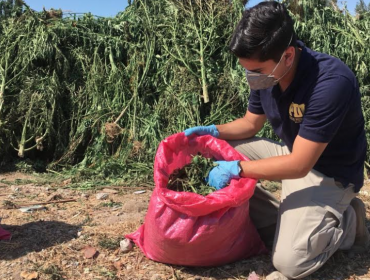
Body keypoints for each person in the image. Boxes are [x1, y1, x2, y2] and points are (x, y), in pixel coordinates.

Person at [184, 1, 369, 279]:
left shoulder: (330, 82)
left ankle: (349, 222)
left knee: (289, 262)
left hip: (328, 173)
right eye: (247, 69)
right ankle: (285, 218)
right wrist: (212, 132)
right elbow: (250, 124)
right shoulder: (267, 75)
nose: (251, 77)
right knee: (214, 151)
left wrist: (237, 169)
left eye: (256, 71)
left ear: (288, 55)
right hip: (294, 153)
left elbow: (299, 166)